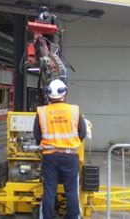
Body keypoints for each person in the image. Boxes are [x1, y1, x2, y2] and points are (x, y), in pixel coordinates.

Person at [33, 79, 87, 219]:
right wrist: (71, 143)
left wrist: (48, 145)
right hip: (70, 156)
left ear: (49, 94)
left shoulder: (42, 112)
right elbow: (82, 133)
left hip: (50, 156)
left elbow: (37, 136)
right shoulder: (74, 110)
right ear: (64, 93)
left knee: (49, 190)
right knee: (71, 191)